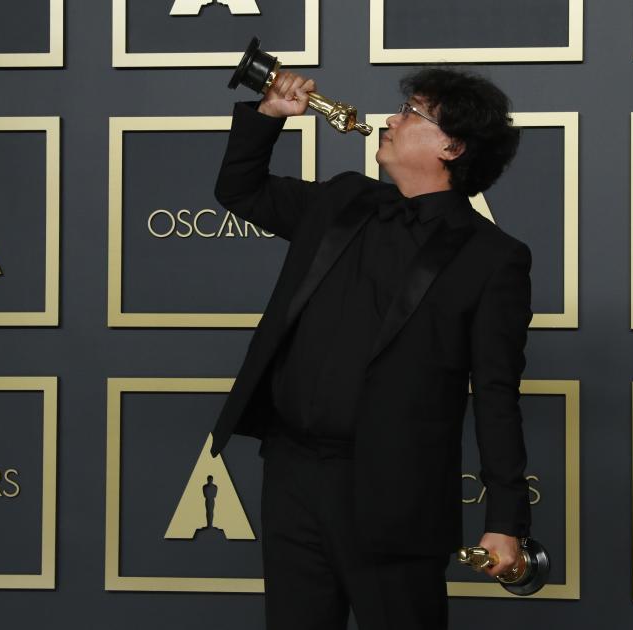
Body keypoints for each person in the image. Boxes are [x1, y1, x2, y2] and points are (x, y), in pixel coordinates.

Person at [209, 66, 533, 629]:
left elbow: (497, 394)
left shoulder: (493, 258)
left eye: (412, 113)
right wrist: (268, 117)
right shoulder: (343, 200)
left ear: (451, 146)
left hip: (397, 494)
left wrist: (505, 520)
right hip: (291, 475)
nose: (392, 118)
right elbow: (240, 188)